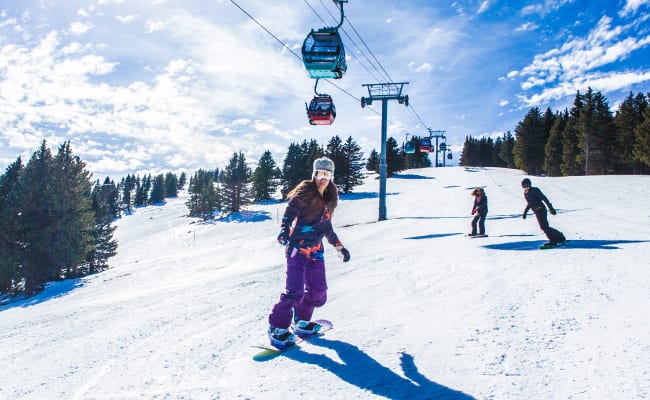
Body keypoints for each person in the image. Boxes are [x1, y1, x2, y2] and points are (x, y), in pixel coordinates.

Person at [268, 157, 351, 349]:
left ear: (331, 177)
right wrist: (284, 231)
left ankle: (301, 322)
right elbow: (289, 215)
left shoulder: (329, 200)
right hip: (298, 249)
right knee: (294, 292)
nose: (323, 178)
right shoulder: (304, 195)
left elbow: (327, 228)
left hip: (316, 252)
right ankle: (276, 327)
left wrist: (339, 247)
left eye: (327, 174)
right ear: (314, 175)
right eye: (320, 174)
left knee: (318, 292)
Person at [521, 178, 566, 247]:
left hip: (541, 209)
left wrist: (551, 208)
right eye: (524, 186)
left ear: (530, 185)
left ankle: (554, 240)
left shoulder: (535, 190)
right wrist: (525, 213)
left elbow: (544, 198)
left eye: (527, 186)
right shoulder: (526, 194)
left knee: (544, 226)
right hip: (536, 211)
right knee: (544, 227)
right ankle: (559, 238)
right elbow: (529, 203)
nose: (526, 187)